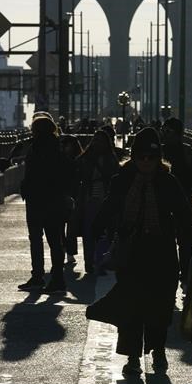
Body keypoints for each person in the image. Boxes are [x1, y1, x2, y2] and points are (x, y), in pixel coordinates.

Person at [87, 127, 192, 376]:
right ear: (134, 157)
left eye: (151, 157)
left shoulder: (168, 182)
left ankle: (158, 351)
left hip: (162, 253)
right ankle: (133, 357)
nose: (145, 162)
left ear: (159, 158)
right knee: (132, 308)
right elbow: (109, 206)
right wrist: (95, 230)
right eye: (141, 157)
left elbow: (183, 213)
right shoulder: (123, 180)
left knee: (160, 308)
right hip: (132, 253)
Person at [19, 112, 74, 293]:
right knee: (54, 240)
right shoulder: (57, 148)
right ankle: (56, 278)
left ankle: (39, 276)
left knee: (36, 238)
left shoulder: (36, 148)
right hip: (53, 200)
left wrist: (26, 189)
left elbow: (33, 173)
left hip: (38, 200)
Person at [76, 130, 120, 274]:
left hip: (102, 198)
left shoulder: (103, 158)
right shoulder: (90, 158)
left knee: (98, 233)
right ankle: (92, 262)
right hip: (92, 198)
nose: (97, 143)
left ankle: (98, 262)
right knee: (93, 232)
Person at [160, 117, 192, 281]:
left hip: (183, 198)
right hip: (165, 200)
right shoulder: (159, 151)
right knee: (167, 237)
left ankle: (185, 269)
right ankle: (174, 269)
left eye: (168, 131)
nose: (165, 134)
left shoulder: (187, 151)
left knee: (184, 237)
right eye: (164, 130)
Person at [60, 135, 84, 266]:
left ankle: (69, 252)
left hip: (72, 195)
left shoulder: (75, 161)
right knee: (63, 226)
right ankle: (66, 251)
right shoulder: (74, 160)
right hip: (65, 195)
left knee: (71, 227)